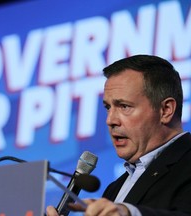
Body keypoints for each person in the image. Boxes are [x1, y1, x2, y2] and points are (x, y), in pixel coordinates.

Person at [46, 55, 191, 216]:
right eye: (108, 107)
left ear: (165, 110)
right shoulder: (115, 188)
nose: (110, 120)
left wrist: (130, 213)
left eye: (124, 106)